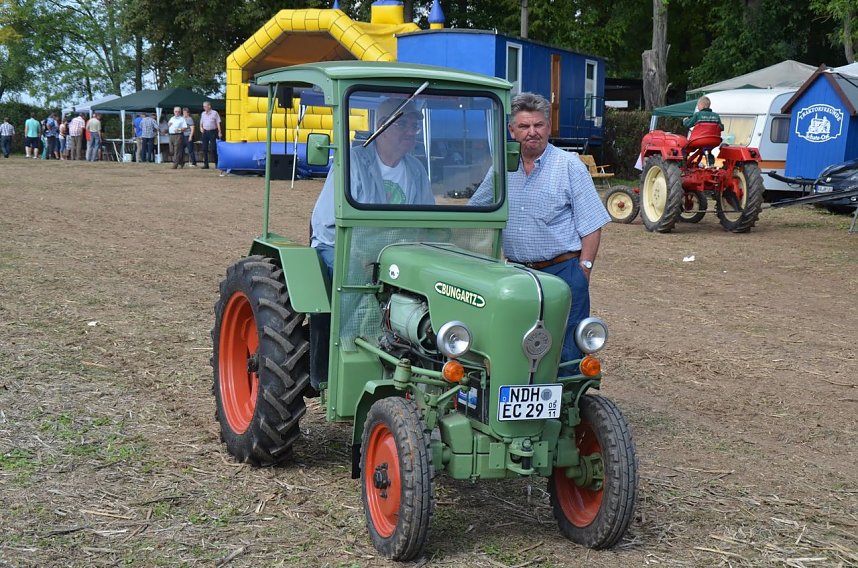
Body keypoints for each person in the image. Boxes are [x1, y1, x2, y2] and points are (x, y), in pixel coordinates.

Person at [470, 92, 610, 368]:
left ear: (549, 127)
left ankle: (567, 407)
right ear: (512, 130)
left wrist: (584, 269)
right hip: (516, 273)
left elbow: (592, 225)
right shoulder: (502, 167)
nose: (532, 132)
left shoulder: (569, 166)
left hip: (562, 271)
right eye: (524, 126)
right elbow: (476, 209)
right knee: (517, 344)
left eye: (539, 125)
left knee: (568, 350)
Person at [307, 97, 433, 395]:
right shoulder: (352, 162)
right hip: (341, 247)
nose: (410, 132)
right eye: (403, 124)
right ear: (381, 127)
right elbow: (326, 224)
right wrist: (361, 252)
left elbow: (429, 221)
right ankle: (338, 361)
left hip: (395, 255)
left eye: (415, 125)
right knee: (353, 276)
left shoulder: (416, 170)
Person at [198, 100, 221, 169]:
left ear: (209, 106)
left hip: (213, 131)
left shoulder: (215, 113)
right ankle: (206, 165)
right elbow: (201, 122)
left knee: (214, 148)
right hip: (205, 132)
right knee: (204, 148)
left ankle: (217, 164)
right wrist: (201, 128)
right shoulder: (203, 114)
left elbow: (218, 123)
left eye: (205, 106)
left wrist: (219, 132)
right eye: (203, 106)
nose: (204, 108)